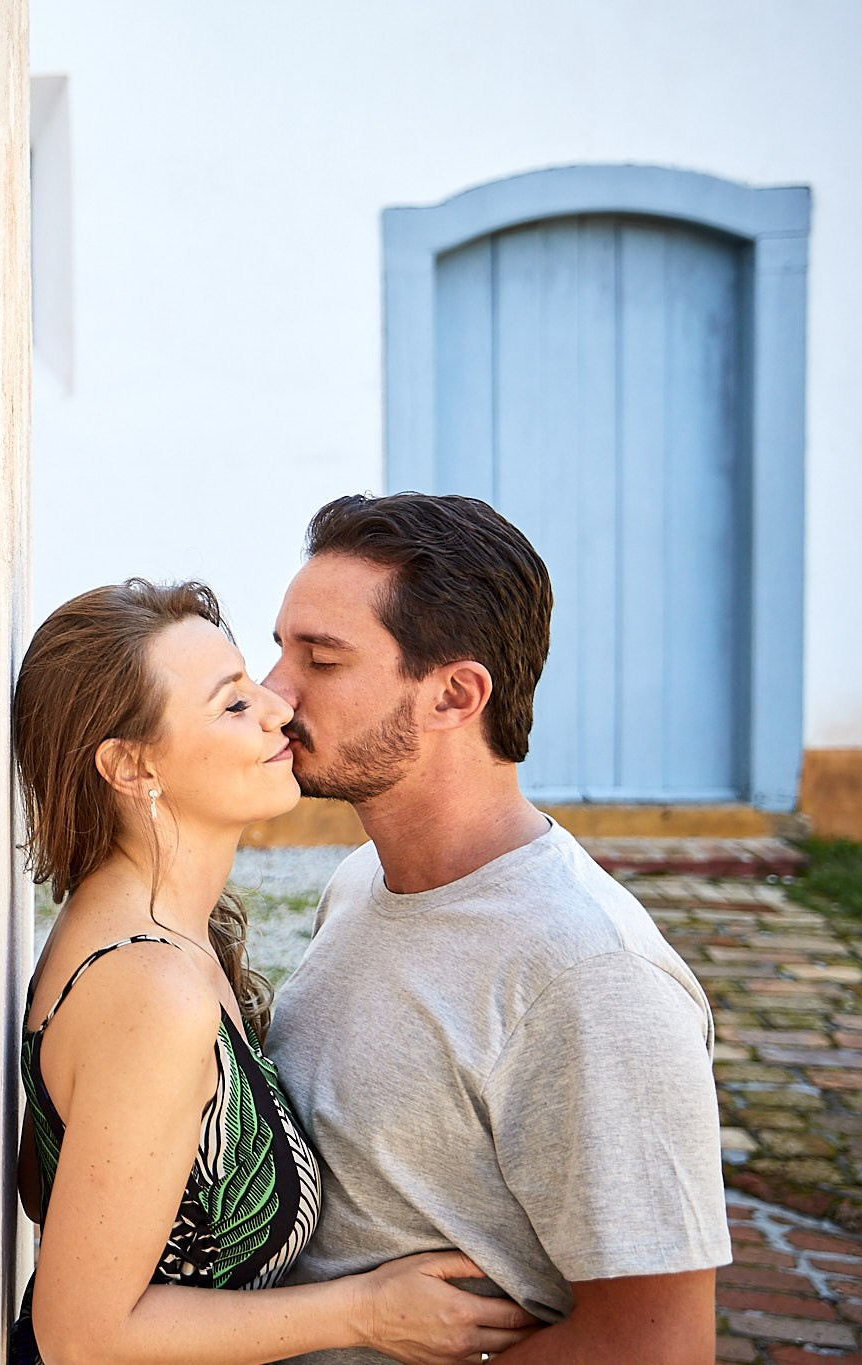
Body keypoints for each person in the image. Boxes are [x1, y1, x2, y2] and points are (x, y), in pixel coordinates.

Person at [9, 578, 538, 1365]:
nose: (278, 708)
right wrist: (365, 1311)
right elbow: (79, 1335)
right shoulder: (151, 988)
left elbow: (49, 1178)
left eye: (251, 681)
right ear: (130, 766)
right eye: (232, 705)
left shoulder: (161, 925)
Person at [261, 493, 731, 1364]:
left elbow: (658, 1347)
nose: (272, 691)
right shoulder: (362, 879)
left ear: (455, 694)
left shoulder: (593, 978)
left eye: (320, 660)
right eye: (281, 648)